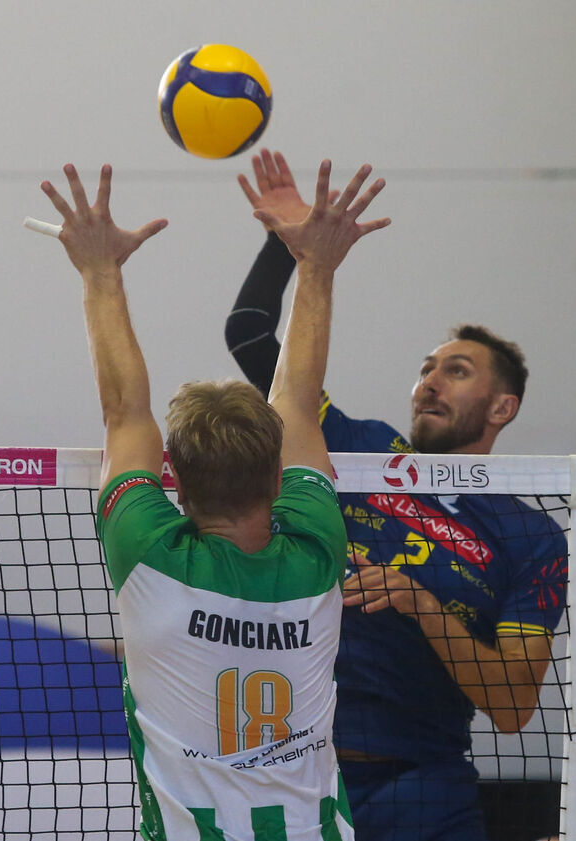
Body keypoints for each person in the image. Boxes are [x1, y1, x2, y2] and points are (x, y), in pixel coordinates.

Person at [27, 158, 388, 839]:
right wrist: (317, 267)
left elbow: (123, 412)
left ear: (177, 485)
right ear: (278, 481)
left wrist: (99, 272)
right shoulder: (316, 552)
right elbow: (298, 401)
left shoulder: (149, 555)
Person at [225, 149, 569, 840]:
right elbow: (250, 335)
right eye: (426, 368)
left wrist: (425, 607)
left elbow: (511, 707)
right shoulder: (359, 448)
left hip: (423, 787)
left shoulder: (531, 536)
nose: (429, 382)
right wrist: (289, 245)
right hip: (296, 773)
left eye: (457, 370)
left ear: (502, 408)